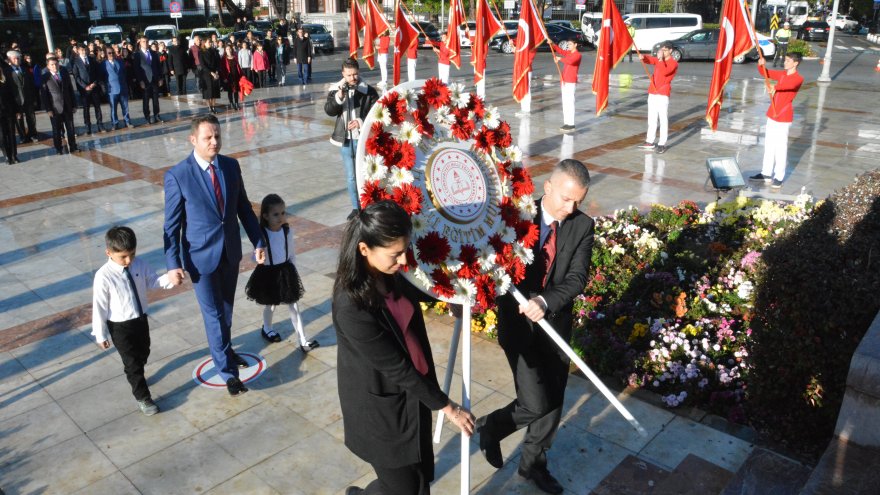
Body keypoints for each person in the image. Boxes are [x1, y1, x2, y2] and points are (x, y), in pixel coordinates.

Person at [333, 200, 475, 495]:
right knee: (405, 488)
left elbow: (419, 290)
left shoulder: (391, 276)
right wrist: (449, 408)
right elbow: (396, 367)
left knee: (420, 481)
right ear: (364, 249)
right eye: (395, 254)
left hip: (415, 399)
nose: (403, 261)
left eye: (404, 251)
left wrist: (450, 298)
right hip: (383, 412)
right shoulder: (351, 304)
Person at [477, 160, 594, 495]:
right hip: (518, 324)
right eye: (566, 199)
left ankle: (533, 465)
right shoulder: (513, 216)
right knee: (533, 402)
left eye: (578, 202)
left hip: (555, 321)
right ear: (548, 188)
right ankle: (493, 427)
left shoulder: (582, 226)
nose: (571, 208)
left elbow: (577, 278)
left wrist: (545, 302)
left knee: (553, 399)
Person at [163, 114, 266, 397]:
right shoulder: (178, 175)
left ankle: (226, 351)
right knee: (213, 314)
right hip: (199, 258)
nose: (214, 142)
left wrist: (258, 240)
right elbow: (171, 227)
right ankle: (228, 372)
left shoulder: (231, 167)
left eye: (217, 136)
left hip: (229, 251)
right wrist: (173, 264)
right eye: (208, 137)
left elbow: (243, 208)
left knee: (226, 310)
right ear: (193, 139)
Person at [91, 226, 182, 416]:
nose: (128, 260)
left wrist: (170, 279)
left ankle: (138, 373)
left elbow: (153, 281)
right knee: (131, 363)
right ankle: (143, 396)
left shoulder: (139, 265)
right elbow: (99, 306)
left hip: (140, 319)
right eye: (123, 256)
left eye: (132, 254)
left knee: (144, 351)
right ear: (109, 253)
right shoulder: (103, 276)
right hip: (119, 326)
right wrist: (100, 334)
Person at [245, 193, 319, 351]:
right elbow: (255, 256)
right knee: (270, 305)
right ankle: (267, 328)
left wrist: (292, 271)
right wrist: (257, 257)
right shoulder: (261, 234)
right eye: (275, 214)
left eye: (283, 213)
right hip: (268, 273)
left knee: (294, 305)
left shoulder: (286, 232)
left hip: (285, 271)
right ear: (265, 216)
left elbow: (291, 252)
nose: (280, 217)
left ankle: (303, 340)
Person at [324, 58, 380, 217]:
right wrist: (339, 96)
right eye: (349, 75)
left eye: (355, 74)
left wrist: (360, 122)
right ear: (343, 74)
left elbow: (377, 114)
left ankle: (368, 205)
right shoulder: (336, 90)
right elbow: (329, 110)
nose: (352, 78)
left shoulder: (368, 91)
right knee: (351, 177)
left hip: (363, 139)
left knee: (366, 174)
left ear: (359, 72)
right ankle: (356, 208)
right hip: (346, 140)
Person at [750, 53, 803, 189]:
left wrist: (775, 87)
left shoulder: (798, 78)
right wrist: (761, 64)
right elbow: (765, 73)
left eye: (788, 60)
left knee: (780, 148)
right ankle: (766, 173)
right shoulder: (782, 75)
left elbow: (790, 85)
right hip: (772, 114)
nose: (785, 62)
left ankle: (779, 176)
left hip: (784, 116)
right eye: (785, 60)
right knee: (769, 145)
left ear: (795, 63)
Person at [638, 41, 678, 154]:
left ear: (670, 51)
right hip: (653, 92)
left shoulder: (673, 63)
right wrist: (644, 57)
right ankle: (650, 141)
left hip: (663, 93)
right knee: (652, 118)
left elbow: (664, 71)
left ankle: (662, 143)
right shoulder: (660, 60)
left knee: (663, 119)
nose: (662, 52)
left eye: (665, 50)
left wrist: (660, 59)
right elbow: (651, 60)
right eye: (661, 50)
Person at [40, 57, 79, 155]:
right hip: (55, 108)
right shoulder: (45, 77)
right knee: (56, 130)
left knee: (70, 128)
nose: (54, 66)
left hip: (67, 106)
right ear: (48, 66)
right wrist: (48, 109)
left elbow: (71, 90)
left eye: (56, 64)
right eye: (52, 65)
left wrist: (74, 105)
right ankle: (58, 148)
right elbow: (44, 95)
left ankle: (73, 146)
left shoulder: (64, 75)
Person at [6, 50, 39, 144]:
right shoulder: (7, 71)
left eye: (18, 58)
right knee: (19, 119)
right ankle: (23, 136)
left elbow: (31, 84)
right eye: (14, 58)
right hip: (16, 99)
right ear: (9, 60)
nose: (17, 60)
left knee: (31, 117)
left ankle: (33, 134)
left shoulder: (25, 69)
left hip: (28, 97)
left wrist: (34, 98)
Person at [72, 44, 106, 134]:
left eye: (85, 50)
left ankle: (100, 124)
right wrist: (85, 86)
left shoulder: (92, 60)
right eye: (82, 50)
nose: (84, 52)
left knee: (97, 107)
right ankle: (88, 126)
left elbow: (97, 73)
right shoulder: (76, 62)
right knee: (86, 108)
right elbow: (76, 76)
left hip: (94, 87)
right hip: (84, 90)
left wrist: (94, 83)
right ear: (78, 51)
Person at [551, 40, 581, 133]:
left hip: (571, 81)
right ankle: (566, 122)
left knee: (570, 102)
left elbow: (570, 61)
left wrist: (560, 59)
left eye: (570, 44)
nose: (568, 46)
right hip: (564, 81)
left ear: (575, 45)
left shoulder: (577, 55)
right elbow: (561, 51)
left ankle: (571, 123)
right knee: (565, 102)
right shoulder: (568, 53)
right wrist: (552, 43)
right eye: (568, 44)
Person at [133, 37, 165, 124]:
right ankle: (147, 116)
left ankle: (156, 114)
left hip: (154, 79)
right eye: (143, 42)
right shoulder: (137, 55)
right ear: (140, 43)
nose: (145, 43)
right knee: (146, 99)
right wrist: (140, 81)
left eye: (147, 41)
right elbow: (136, 69)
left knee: (155, 99)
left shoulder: (153, 53)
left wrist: (160, 78)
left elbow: (158, 66)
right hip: (145, 80)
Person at [101, 48, 132, 129]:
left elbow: (125, 73)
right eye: (109, 53)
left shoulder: (120, 61)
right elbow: (102, 77)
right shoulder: (103, 64)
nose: (111, 54)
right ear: (106, 54)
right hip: (112, 90)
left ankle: (127, 121)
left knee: (125, 107)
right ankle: (115, 123)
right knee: (113, 108)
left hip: (122, 88)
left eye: (112, 53)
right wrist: (105, 87)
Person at [0, 69, 17, 164]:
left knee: (11, 134)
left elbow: (13, 96)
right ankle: (7, 156)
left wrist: (17, 110)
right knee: (2, 136)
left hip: (9, 112)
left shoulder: (6, 81)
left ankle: (14, 155)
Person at [200, 39, 222, 113]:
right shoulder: (201, 52)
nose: (210, 43)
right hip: (206, 74)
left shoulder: (214, 51)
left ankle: (213, 106)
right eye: (208, 42)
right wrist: (211, 72)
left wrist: (217, 71)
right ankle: (209, 107)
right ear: (204, 43)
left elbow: (218, 62)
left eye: (210, 42)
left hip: (215, 73)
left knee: (214, 91)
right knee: (208, 92)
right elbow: (203, 65)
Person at [219, 45, 243, 111]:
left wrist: (242, 75)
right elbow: (222, 69)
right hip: (228, 77)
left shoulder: (235, 57)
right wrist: (224, 78)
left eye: (229, 49)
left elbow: (238, 67)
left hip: (236, 76)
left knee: (236, 90)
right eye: (227, 49)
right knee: (230, 91)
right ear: (225, 50)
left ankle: (236, 103)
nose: (228, 50)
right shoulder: (224, 58)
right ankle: (231, 103)